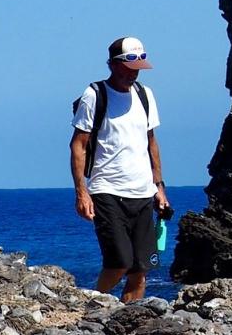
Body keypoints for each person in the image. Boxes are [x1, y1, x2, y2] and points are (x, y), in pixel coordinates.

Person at [70, 36, 170, 302]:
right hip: (108, 191)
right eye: (127, 67)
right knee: (119, 262)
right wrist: (82, 191)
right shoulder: (95, 95)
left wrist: (159, 188)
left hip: (143, 192)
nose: (132, 73)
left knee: (140, 269)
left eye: (137, 68)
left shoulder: (145, 96)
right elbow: (78, 145)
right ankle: (88, 304)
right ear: (113, 65)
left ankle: (130, 324)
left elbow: (151, 143)